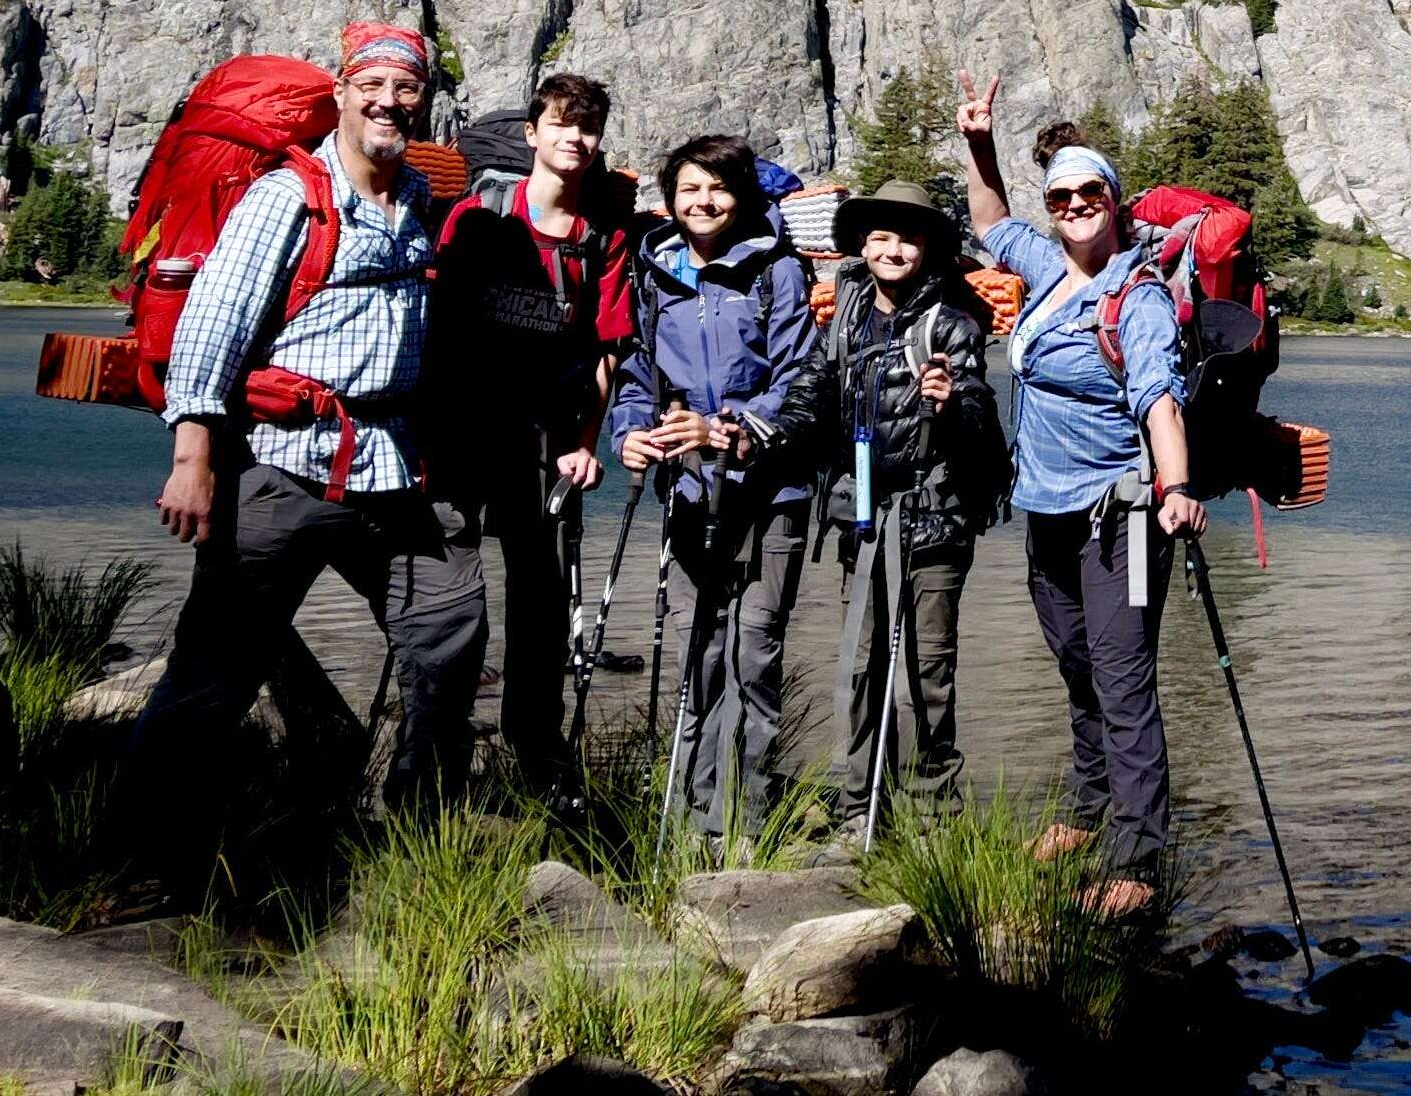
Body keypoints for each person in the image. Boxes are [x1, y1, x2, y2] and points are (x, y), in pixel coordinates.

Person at [130, 22, 487, 864]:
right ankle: (142, 849)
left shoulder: (419, 204)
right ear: (341, 92)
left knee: (450, 624)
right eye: (373, 86)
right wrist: (193, 461)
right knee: (216, 668)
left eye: (406, 90)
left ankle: (414, 833)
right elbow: (211, 332)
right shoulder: (288, 197)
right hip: (282, 468)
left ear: (422, 100)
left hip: (391, 472)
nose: (389, 102)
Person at [956, 71, 1207, 913]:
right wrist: (979, 143)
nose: (1071, 205)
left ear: (1115, 199)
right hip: (1048, 511)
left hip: (1124, 516)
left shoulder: (1133, 297)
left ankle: (1137, 858)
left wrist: (1175, 486)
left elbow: (1159, 399)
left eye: (1088, 191)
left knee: (1122, 674)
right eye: (1060, 195)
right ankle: (1086, 806)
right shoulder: (1047, 266)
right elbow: (990, 221)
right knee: (1074, 663)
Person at [424, 73, 634, 786]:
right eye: (562, 123)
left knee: (541, 604)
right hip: (462, 437)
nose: (575, 137)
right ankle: (433, 753)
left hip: (547, 444)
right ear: (532, 133)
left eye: (588, 127)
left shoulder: (600, 237)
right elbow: (440, 325)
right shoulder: (477, 213)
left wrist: (585, 441)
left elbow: (606, 348)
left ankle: (536, 751)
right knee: (449, 601)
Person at [775, 179, 1000, 836]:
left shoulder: (951, 321)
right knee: (860, 663)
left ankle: (933, 814)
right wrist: (773, 434)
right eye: (880, 236)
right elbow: (816, 391)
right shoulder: (844, 314)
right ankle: (858, 807)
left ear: (927, 247)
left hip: (935, 517)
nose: (892, 248)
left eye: (906, 236)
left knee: (927, 674)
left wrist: (950, 401)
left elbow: (979, 416)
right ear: (861, 245)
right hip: (864, 519)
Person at [610, 134, 816, 841]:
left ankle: (751, 822)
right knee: (697, 650)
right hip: (689, 496)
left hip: (769, 495)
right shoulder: (655, 270)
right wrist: (630, 434)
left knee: (754, 653)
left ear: (744, 194)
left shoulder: (777, 269)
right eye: (689, 188)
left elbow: (799, 381)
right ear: (670, 199)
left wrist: (730, 427)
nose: (703, 201)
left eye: (718, 187)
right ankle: (694, 826)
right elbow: (639, 373)